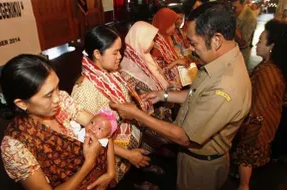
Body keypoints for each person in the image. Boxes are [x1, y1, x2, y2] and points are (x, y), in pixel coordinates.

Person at [110, 2, 252, 190]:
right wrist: (164, 95)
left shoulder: (225, 86)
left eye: (194, 43)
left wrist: (136, 115)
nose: (191, 49)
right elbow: (197, 95)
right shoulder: (222, 63)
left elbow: (184, 137)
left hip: (200, 167)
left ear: (216, 40)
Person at [0, 54, 114, 190]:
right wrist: (88, 163)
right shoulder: (16, 145)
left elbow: (104, 126)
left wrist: (110, 172)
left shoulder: (62, 102)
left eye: (57, 87)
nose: (57, 98)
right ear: (22, 103)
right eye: (48, 95)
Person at [71, 25, 150, 183]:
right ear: (97, 54)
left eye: (120, 51)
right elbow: (91, 137)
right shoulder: (85, 89)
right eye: (115, 52)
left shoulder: (111, 73)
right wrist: (128, 155)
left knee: (130, 173)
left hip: (125, 140)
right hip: (110, 153)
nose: (120, 56)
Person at [232, 20, 287, 190]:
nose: (256, 43)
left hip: (258, 127)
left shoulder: (268, 71)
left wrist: (249, 133)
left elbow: (259, 108)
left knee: (246, 160)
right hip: (263, 125)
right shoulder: (270, 67)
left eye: (261, 40)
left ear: (272, 46)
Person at [151, 8, 191, 88]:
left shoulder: (166, 38)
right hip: (166, 87)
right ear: (164, 23)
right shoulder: (155, 43)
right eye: (171, 24)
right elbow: (158, 73)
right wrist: (176, 62)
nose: (174, 27)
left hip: (177, 82)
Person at [231, 0, 257, 64]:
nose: (232, 10)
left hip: (241, 53)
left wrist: (231, 22)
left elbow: (243, 42)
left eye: (235, 8)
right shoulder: (233, 12)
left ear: (243, 3)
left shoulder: (250, 17)